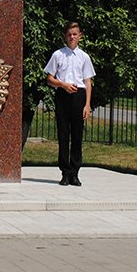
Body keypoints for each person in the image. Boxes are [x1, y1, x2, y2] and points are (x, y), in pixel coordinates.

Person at [44, 21, 96, 187]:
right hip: (63, 95)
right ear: (65, 36)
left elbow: (88, 82)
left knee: (77, 136)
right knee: (63, 134)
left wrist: (87, 105)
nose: (72, 37)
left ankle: (75, 172)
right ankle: (65, 172)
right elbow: (49, 79)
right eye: (69, 34)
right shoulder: (58, 55)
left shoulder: (84, 57)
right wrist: (63, 85)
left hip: (79, 96)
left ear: (80, 36)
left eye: (75, 34)